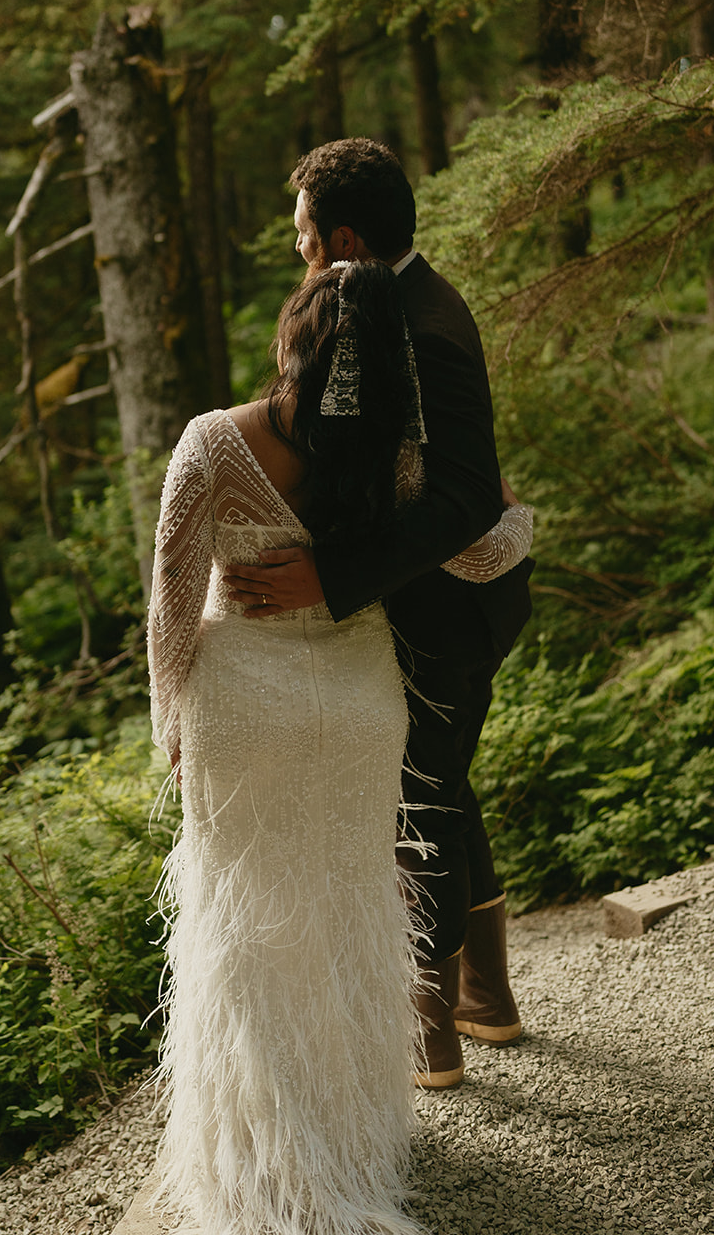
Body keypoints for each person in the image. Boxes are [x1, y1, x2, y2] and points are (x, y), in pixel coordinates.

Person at [147, 259, 533, 1235]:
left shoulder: (209, 443)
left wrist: (170, 730)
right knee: (348, 909)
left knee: (243, 922)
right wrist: (508, 500)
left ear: (291, 340)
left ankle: (259, 1145)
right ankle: (352, 1132)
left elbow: (169, 608)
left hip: (243, 707)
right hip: (358, 707)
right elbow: (488, 547)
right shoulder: (395, 461)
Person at [224, 139, 534, 1090]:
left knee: (422, 805)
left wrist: (329, 577)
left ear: (342, 239)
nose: (296, 255)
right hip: (443, 601)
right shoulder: (386, 304)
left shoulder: (424, 324)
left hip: (454, 607)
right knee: (445, 788)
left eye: (301, 237)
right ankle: (486, 1004)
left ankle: (428, 1045)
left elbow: (464, 503)